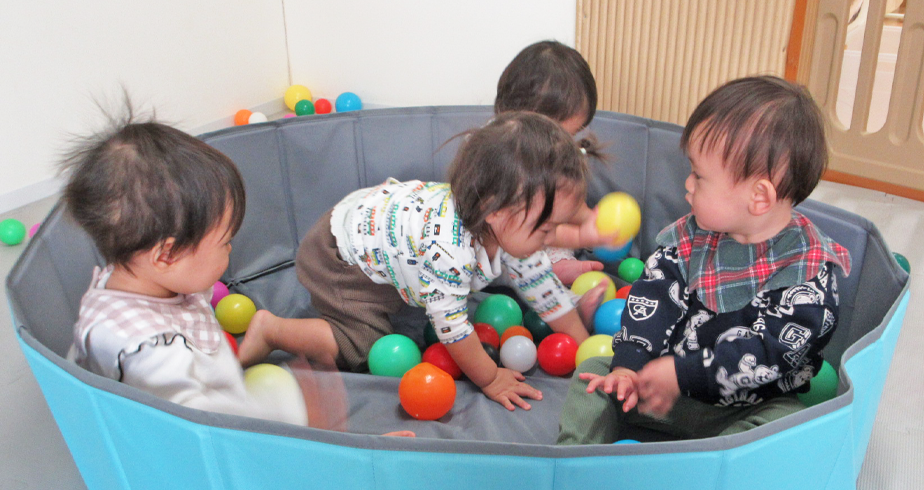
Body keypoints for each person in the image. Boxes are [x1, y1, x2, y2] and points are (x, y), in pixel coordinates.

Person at [556, 76, 852, 445]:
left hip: (742, 410)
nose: (688, 185)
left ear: (759, 197)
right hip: (660, 392)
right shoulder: (693, 237)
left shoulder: (806, 272)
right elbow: (653, 295)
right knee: (594, 371)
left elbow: (770, 352)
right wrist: (629, 366)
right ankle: (574, 458)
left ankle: (709, 466)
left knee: (785, 423)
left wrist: (683, 373)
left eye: (699, 176)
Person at [295, 111, 608, 411]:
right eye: (547, 229)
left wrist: (586, 350)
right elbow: (452, 328)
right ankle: (277, 331)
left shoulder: (509, 225)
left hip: (381, 229)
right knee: (362, 345)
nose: (552, 239)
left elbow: (545, 290)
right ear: (495, 210)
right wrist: (490, 377)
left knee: (429, 297)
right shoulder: (450, 251)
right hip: (340, 255)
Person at [61, 109, 338, 426]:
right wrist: (300, 417)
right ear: (167, 255)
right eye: (225, 242)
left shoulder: (134, 275)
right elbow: (200, 425)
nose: (231, 249)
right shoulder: (153, 353)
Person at [494, 40, 612, 285]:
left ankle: (558, 269)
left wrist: (590, 221)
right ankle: (548, 272)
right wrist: (581, 236)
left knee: (556, 226)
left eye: (572, 134)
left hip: (543, 232)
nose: (563, 145)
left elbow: (568, 204)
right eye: (555, 135)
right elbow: (519, 226)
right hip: (498, 243)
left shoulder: (560, 152)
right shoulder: (495, 156)